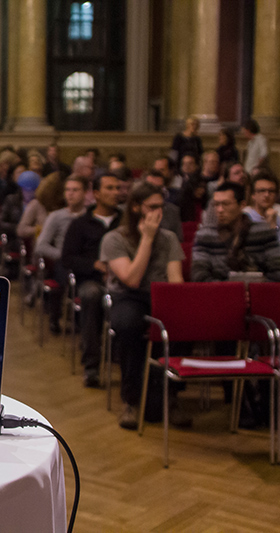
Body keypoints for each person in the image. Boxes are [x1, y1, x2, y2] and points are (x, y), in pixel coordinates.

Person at [100, 182, 184, 430]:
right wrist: (146, 239)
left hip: (161, 295)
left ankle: (171, 395)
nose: (159, 212)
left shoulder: (168, 238)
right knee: (128, 325)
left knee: (183, 323)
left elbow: (176, 281)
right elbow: (132, 279)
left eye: (162, 206)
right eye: (153, 207)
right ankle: (131, 400)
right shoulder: (114, 238)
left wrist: (178, 308)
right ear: (136, 208)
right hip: (128, 296)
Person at [61, 174, 122, 388]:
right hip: (92, 280)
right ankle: (92, 365)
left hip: (123, 279)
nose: (116, 192)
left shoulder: (124, 221)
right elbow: (67, 258)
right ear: (96, 194)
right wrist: (94, 264)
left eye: (118, 188)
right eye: (110, 188)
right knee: (91, 295)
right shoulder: (80, 224)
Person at [192, 182, 280, 282]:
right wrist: (231, 290)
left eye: (226, 204)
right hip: (218, 292)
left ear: (242, 205)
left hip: (259, 292)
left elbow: (277, 271)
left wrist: (255, 289)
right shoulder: (205, 235)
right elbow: (198, 274)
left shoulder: (263, 232)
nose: (220, 210)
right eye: (216, 204)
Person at [35, 175, 88, 333]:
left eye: (75, 190)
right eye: (67, 190)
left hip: (84, 261)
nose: (70, 194)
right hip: (63, 261)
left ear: (85, 193)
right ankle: (56, 317)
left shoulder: (89, 216)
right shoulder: (56, 216)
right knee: (67, 276)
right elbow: (41, 246)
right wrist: (63, 255)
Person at [142, 169, 184, 242]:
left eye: (159, 188)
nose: (156, 191)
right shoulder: (132, 209)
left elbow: (178, 241)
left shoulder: (173, 211)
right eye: (151, 187)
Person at [244, 171, 280, 242]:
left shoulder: (278, 216)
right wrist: (270, 226)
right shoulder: (245, 217)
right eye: (262, 191)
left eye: (271, 191)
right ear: (253, 195)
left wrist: (274, 224)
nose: (267, 195)